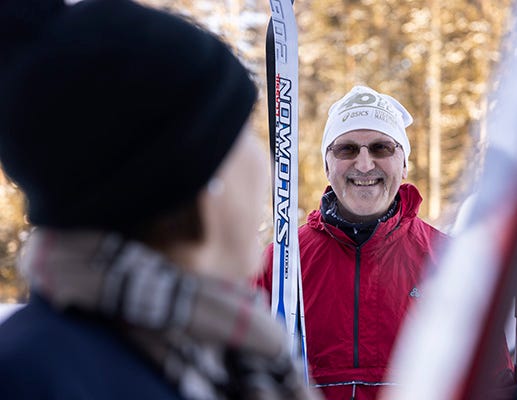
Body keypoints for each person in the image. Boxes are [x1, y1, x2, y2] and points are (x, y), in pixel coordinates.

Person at [0, 1, 319, 399]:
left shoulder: (222, 358)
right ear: (197, 173)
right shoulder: (37, 380)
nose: (268, 166)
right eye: (245, 133)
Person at [257, 85, 517, 399]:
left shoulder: (449, 263)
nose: (364, 164)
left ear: (404, 164)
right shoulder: (279, 264)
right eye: (347, 149)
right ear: (327, 166)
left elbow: (483, 376)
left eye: (381, 148)